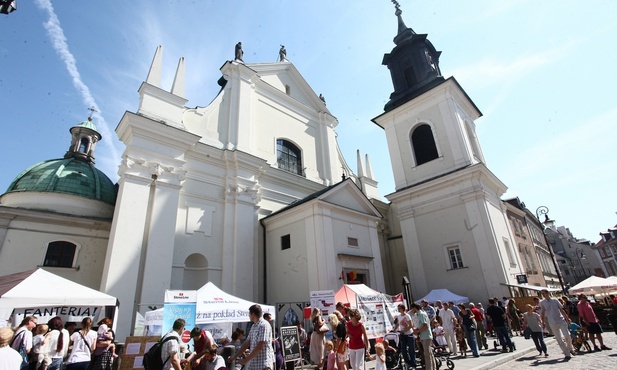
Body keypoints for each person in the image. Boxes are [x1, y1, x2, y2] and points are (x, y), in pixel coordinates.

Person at [230, 304, 275, 370]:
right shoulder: (254, 326)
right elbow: (246, 343)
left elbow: (260, 346)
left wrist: (245, 360)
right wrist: (234, 357)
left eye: (249, 314)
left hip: (263, 365)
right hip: (254, 365)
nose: (249, 316)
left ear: (253, 314)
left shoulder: (264, 325)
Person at [540, 289, 574, 360]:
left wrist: (567, 319)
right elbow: (542, 312)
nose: (543, 295)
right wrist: (542, 322)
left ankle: (570, 348)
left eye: (544, 293)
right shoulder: (542, 302)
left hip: (560, 320)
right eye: (542, 293)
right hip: (551, 321)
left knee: (567, 335)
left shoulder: (555, 300)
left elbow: (561, 310)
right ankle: (566, 353)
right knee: (558, 338)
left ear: (547, 293)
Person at [411, 303, 434, 370]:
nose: (412, 310)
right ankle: (433, 367)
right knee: (429, 353)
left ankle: (429, 368)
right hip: (423, 336)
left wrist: (418, 331)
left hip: (426, 336)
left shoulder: (421, 314)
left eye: (412, 308)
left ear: (415, 308)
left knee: (427, 354)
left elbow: (425, 326)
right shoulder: (418, 315)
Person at [392, 304, 416, 370]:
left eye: (399, 308)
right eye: (398, 308)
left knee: (411, 350)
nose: (398, 309)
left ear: (403, 309)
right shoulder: (399, 316)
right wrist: (393, 330)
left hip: (409, 334)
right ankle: (408, 363)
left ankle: (413, 364)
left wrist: (404, 330)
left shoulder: (407, 316)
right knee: (403, 350)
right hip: (403, 335)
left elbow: (411, 325)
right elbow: (398, 324)